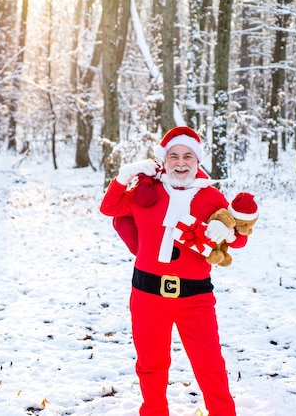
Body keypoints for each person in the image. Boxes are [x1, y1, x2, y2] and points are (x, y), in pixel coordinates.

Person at [100, 126, 248, 416]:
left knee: (209, 365)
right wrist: (125, 174)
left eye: (188, 156)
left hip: (195, 298)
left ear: (198, 161)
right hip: (147, 294)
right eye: (174, 156)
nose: (181, 162)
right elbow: (109, 208)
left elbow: (240, 238)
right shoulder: (146, 190)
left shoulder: (212, 197)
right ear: (163, 160)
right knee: (150, 364)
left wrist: (227, 231)